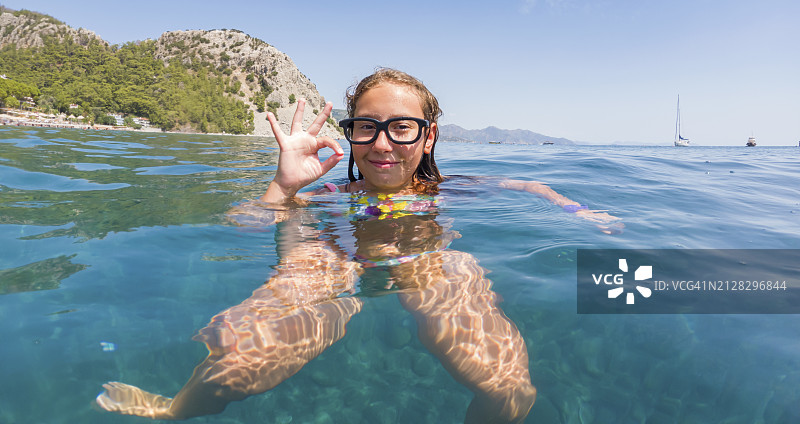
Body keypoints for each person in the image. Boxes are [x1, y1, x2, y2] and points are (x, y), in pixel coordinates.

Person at [97, 68, 620, 423]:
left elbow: (529, 187)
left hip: (425, 259)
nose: (383, 143)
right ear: (351, 134)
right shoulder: (331, 192)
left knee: (506, 386)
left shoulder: (448, 188)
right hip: (335, 258)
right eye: (367, 128)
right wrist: (283, 187)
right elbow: (244, 227)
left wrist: (577, 210)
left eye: (401, 127)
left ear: (429, 136)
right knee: (246, 350)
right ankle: (174, 409)